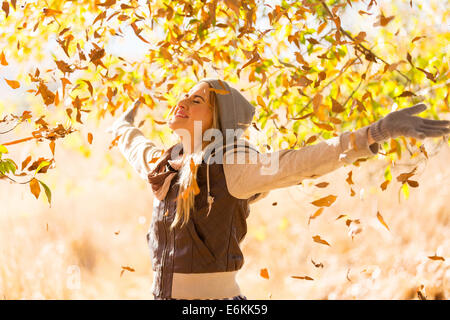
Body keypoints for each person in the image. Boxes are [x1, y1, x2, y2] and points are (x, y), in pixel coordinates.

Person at [106, 78, 450, 300]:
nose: (183, 100)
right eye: (185, 94)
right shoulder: (164, 164)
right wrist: (122, 123)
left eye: (197, 100)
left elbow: (297, 162)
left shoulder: (234, 166)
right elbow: (133, 144)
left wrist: (374, 133)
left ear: (218, 118)